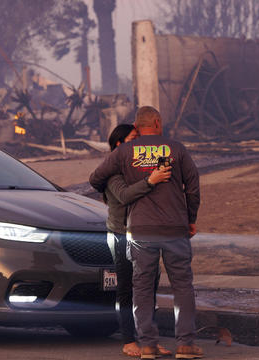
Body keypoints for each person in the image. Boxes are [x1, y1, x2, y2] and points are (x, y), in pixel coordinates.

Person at [90, 106, 202, 359]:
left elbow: (95, 177)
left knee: (140, 287)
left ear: (139, 127)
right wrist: (191, 218)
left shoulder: (124, 153)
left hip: (140, 231)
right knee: (182, 286)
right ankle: (185, 344)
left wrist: (110, 192)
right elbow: (193, 187)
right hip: (175, 228)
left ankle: (148, 345)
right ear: (158, 122)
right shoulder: (177, 148)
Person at [103, 124, 172, 357]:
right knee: (126, 288)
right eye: (134, 139)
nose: (139, 144)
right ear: (119, 144)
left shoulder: (137, 166)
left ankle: (149, 339)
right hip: (121, 234)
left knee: (149, 288)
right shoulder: (112, 170)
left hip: (145, 234)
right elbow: (124, 195)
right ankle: (128, 340)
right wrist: (151, 181)